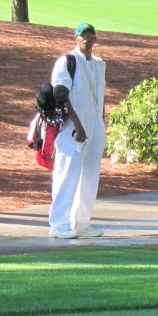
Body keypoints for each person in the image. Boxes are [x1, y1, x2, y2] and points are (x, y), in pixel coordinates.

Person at [47, 23, 107, 238]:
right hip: (72, 128)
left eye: (91, 35)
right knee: (67, 174)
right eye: (82, 35)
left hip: (94, 127)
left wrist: (101, 125)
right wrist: (78, 124)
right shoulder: (67, 62)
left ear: (95, 39)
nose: (86, 39)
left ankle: (81, 222)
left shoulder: (99, 64)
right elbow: (61, 95)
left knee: (90, 176)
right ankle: (58, 224)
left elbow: (100, 96)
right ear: (75, 38)